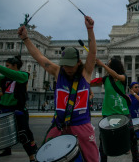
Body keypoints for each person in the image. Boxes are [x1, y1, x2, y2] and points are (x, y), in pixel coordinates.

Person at [17, 15, 99, 162]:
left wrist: (90, 29)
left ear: (78, 62)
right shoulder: (57, 72)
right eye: (65, 64)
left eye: (70, 65)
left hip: (81, 125)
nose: (67, 68)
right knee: (46, 156)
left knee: (92, 159)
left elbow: (92, 53)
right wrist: (25, 39)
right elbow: (39, 58)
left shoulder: (85, 73)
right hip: (59, 125)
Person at [0, 57, 38, 162]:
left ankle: (32, 158)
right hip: (4, 110)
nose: (6, 68)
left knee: (23, 134)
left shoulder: (23, 76)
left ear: (15, 66)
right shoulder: (3, 79)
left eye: (8, 66)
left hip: (18, 110)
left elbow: (10, 73)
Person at [93, 58, 139, 162]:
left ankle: (136, 160)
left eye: (108, 64)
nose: (106, 65)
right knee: (103, 141)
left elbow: (117, 76)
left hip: (123, 112)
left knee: (132, 139)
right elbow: (89, 82)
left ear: (113, 66)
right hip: (108, 113)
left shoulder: (123, 78)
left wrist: (102, 65)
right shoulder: (105, 79)